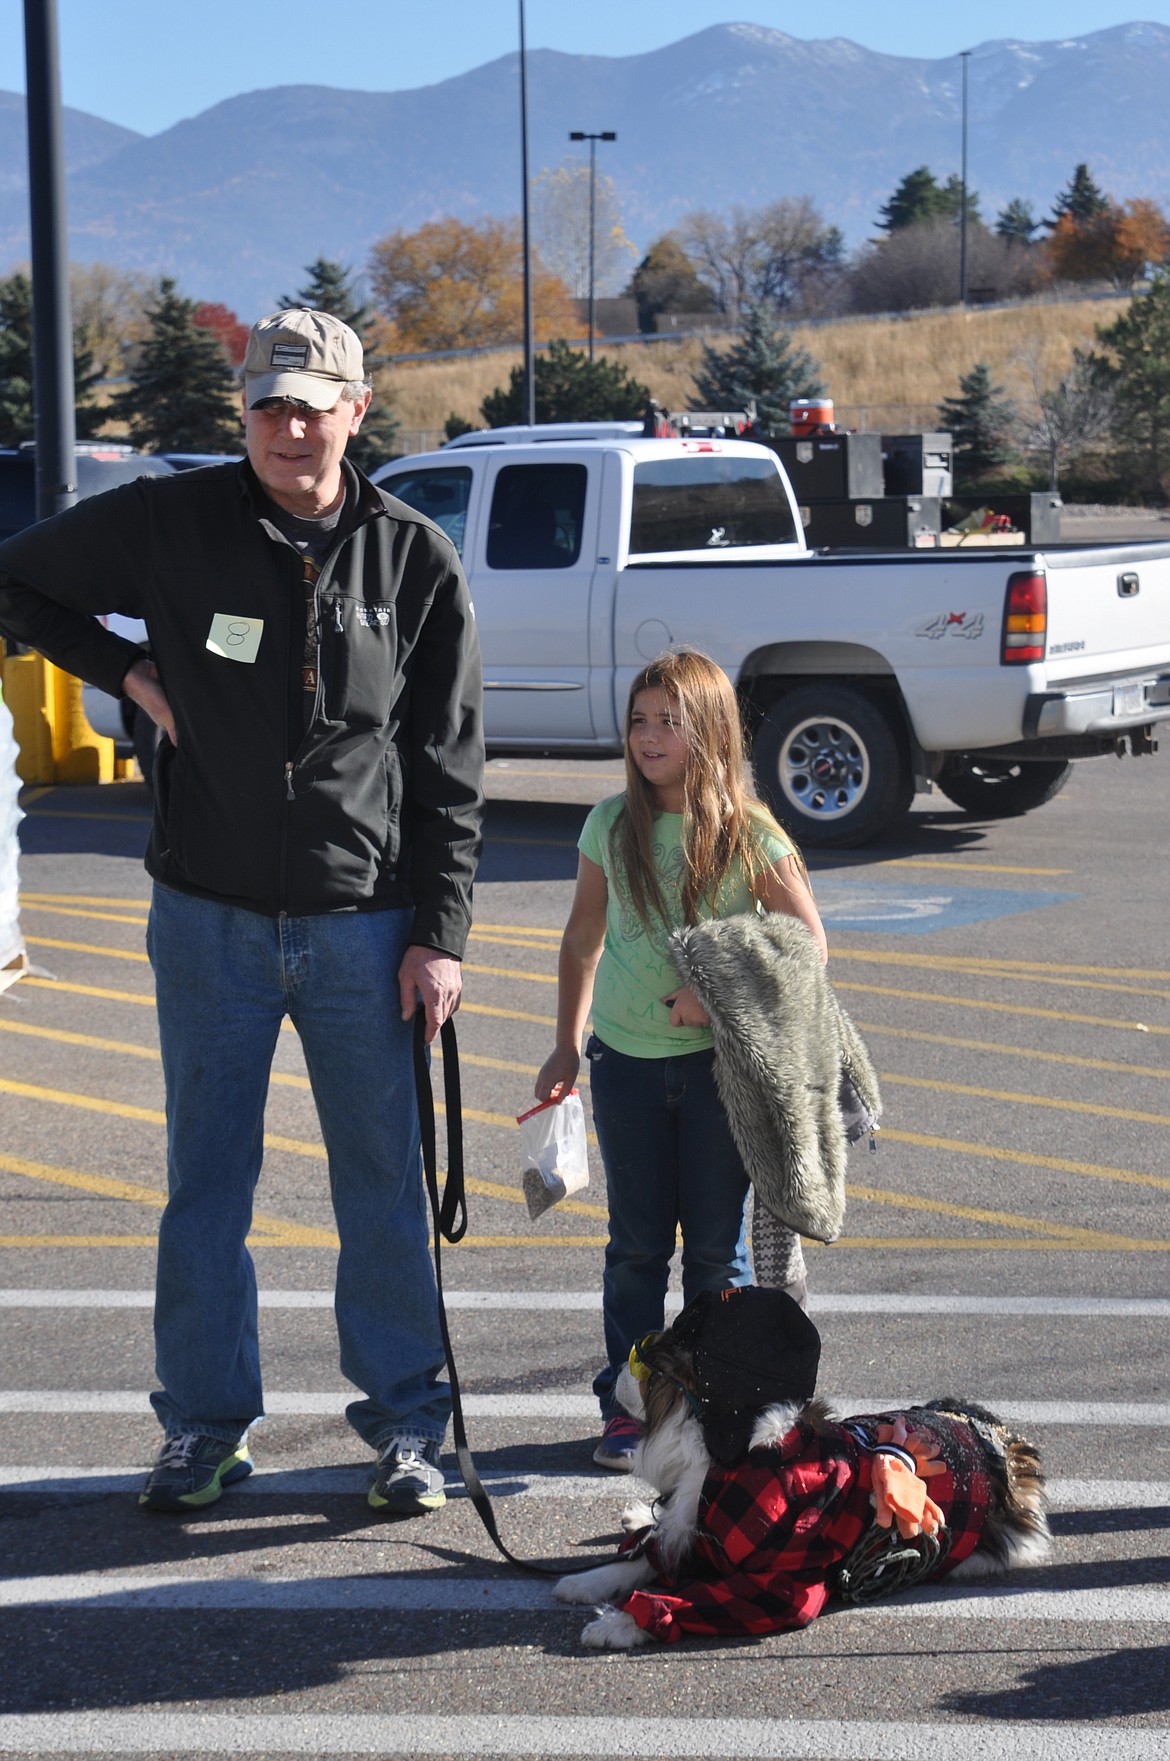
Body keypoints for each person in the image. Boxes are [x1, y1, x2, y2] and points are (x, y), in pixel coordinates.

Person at [0, 308, 484, 1518]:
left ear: (358, 410)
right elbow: (16, 581)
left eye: (314, 403)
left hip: (364, 925)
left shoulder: (413, 555)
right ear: (246, 417)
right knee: (204, 1185)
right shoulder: (171, 523)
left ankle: (410, 1427)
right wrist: (124, 676)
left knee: (383, 1183)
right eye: (269, 406)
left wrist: (443, 935)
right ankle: (205, 1428)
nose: (290, 426)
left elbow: (449, 767)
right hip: (205, 918)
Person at [535, 648, 827, 1470]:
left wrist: (714, 988)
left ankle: (711, 1404)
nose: (650, 736)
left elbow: (807, 942)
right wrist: (565, 1043)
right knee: (634, 1248)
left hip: (715, 1076)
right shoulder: (609, 823)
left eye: (670, 721)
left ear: (713, 732)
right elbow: (582, 938)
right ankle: (629, 1405)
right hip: (623, 1067)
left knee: (715, 1254)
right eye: (639, 719)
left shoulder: (749, 831)